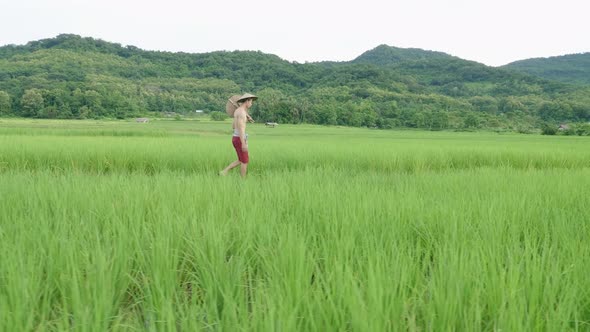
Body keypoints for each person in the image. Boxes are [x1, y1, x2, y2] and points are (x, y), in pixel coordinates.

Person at [219, 93, 257, 177]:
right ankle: (242, 181)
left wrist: (246, 119)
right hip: (240, 139)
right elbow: (241, 129)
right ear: (247, 101)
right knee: (244, 161)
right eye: (251, 102)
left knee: (241, 159)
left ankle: (224, 172)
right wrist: (243, 143)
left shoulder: (237, 111)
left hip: (235, 138)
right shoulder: (242, 113)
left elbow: (233, 126)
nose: (251, 104)